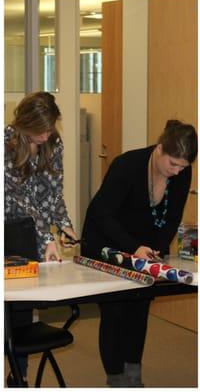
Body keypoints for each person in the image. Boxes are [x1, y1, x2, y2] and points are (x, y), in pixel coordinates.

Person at [81, 119, 197, 387]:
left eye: (183, 166)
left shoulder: (181, 171)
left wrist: (156, 250)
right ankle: (115, 379)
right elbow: (101, 214)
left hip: (143, 247)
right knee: (115, 311)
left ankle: (133, 377)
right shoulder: (126, 165)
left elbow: (171, 217)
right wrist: (133, 248)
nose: (177, 172)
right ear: (159, 149)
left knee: (139, 308)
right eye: (172, 164)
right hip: (106, 240)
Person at [4, 91, 77, 385]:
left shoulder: (52, 144)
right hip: (9, 230)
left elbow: (53, 193)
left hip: (36, 231)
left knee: (23, 309)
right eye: (41, 129)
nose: (47, 135)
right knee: (8, 304)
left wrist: (64, 225)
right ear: (24, 123)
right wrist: (47, 236)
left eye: (50, 128)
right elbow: (19, 201)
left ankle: (18, 374)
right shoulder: (6, 144)